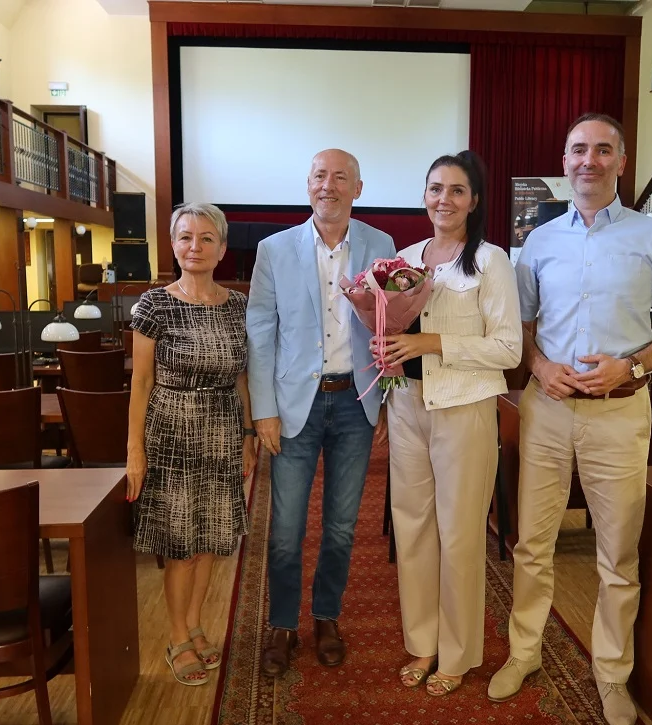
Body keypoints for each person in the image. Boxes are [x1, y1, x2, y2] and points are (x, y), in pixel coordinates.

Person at [488, 113, 652, 725]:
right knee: (533, 544)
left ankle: (611, 673)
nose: (589, 160)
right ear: (565, 159)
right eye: (578, 149)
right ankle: (525, 652)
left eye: (602, 150)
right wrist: (538, 365)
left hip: (619, 416)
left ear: (621, 162)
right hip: (547, 412)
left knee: (618, 554)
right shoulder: (538, 243)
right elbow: (520, 334)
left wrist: (631, 367)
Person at [246, 149, 396, 678]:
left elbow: (390, 327)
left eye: (340, 178)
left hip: (357, 404)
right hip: (293, 408)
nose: (328, 185)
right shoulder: (274, 249)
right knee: (285, 530)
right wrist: (263, 410)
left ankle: (326, 617)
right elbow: (261, 332)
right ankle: (283, 624)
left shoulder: (382, 246)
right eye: (319, 176)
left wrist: (385, 401)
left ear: (358, 187)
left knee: (340, 527)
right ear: (307, 185)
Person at [379, 151, 522, 696]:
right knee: (412, 527)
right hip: (408, 404)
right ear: (424, 195)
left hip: (464, 407)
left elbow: (509, 348)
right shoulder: (404, 257)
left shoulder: (491, 261)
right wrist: (387, 349)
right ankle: (422, 642)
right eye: (436, 188)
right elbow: (391, 323)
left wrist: (433, 343)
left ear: (474, 201)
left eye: (457, 191)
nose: (445, 199)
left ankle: (458, 653)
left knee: (459, 534)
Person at [126, 202, 256, 687]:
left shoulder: (240, 306)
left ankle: (197, 624)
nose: (195, 247)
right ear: (173, 244)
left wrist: (246, 436)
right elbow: (140, 383)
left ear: (222, 249)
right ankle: (178, 638)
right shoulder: (153, 305)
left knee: (211, 541)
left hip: (222, 430)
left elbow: (243, 377)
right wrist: (133, 450)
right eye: (185, 237)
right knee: (181, 545)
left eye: (206, 238)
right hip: (172, 430)